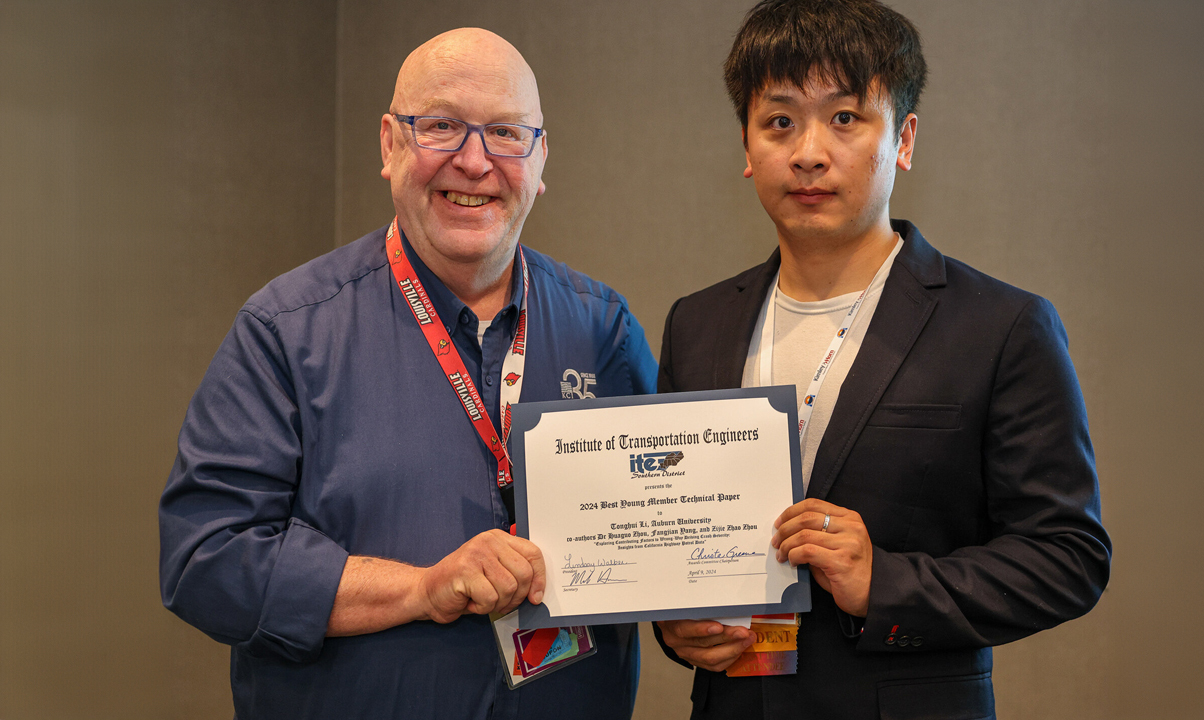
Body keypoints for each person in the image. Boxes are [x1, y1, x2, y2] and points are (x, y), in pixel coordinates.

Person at [159, 28, 655, 719]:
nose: (474, 162)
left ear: (541, 158)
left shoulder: (603, 329)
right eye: (443, 127)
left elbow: (661, 526)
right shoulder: (286, 331)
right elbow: (205, 562)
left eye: (506, 133)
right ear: (390, 145)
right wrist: (424, 588)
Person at [653, 1, 1111, 718]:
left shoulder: (1001, 324)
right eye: (780, 121)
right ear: (747, 147)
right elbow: (675, 532)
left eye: (845, 118)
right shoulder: (696, 323)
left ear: (903, 138)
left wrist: (886, 584)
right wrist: (677, 626)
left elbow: (1068, 557)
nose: (808, 151)